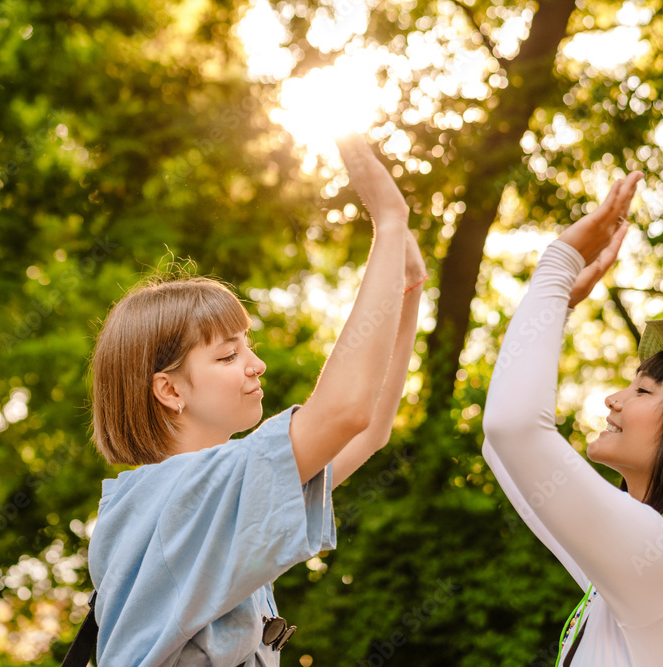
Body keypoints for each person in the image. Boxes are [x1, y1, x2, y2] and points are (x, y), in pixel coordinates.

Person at [86, 134, 427, 666]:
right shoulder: (189, 493)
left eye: (249, 346)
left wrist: (407, 293)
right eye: (226, 356)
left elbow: (368, 429)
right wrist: (388, 220)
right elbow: (344, 412)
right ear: (169, 390)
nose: (255, 365)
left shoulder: (195, 497)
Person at [481, 173, 663, 666]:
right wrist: (560, 306)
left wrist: (559, 264)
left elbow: (512, 431)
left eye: (642, 390)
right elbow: (504, 453)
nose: (613, 400)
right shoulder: (643, 569)